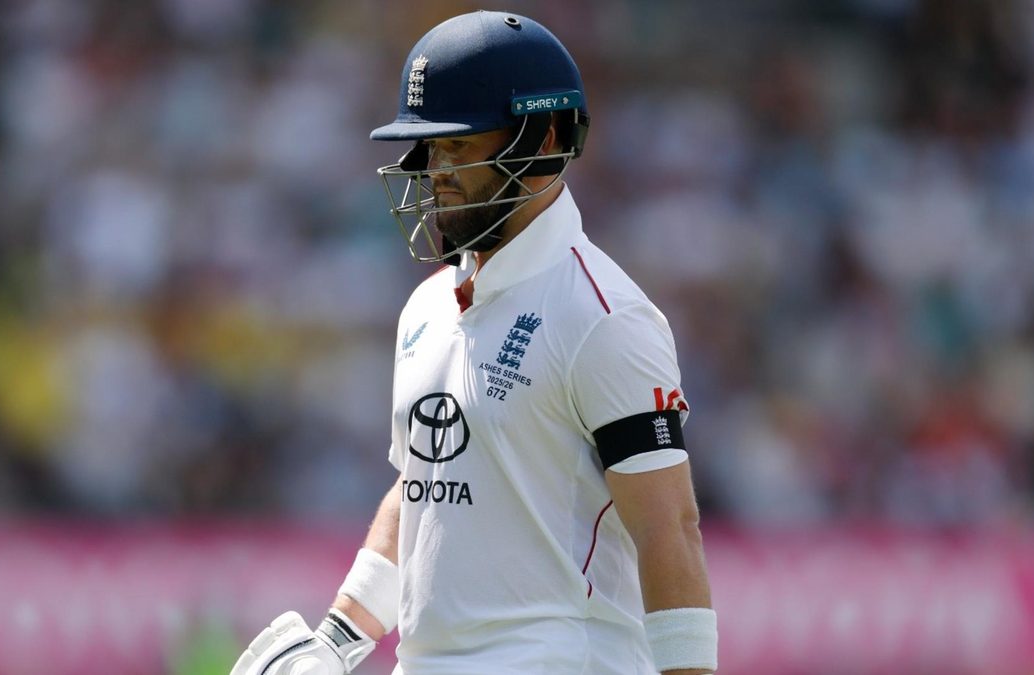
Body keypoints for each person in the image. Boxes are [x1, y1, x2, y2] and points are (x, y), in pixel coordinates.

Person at [230, 10, 717, 675]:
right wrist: (340, 638)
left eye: (458, 146)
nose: (435, 172)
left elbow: (670, 531)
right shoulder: (428, 305)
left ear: (542, 138)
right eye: (427, 150)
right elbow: (424, 484)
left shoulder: (602, 316)